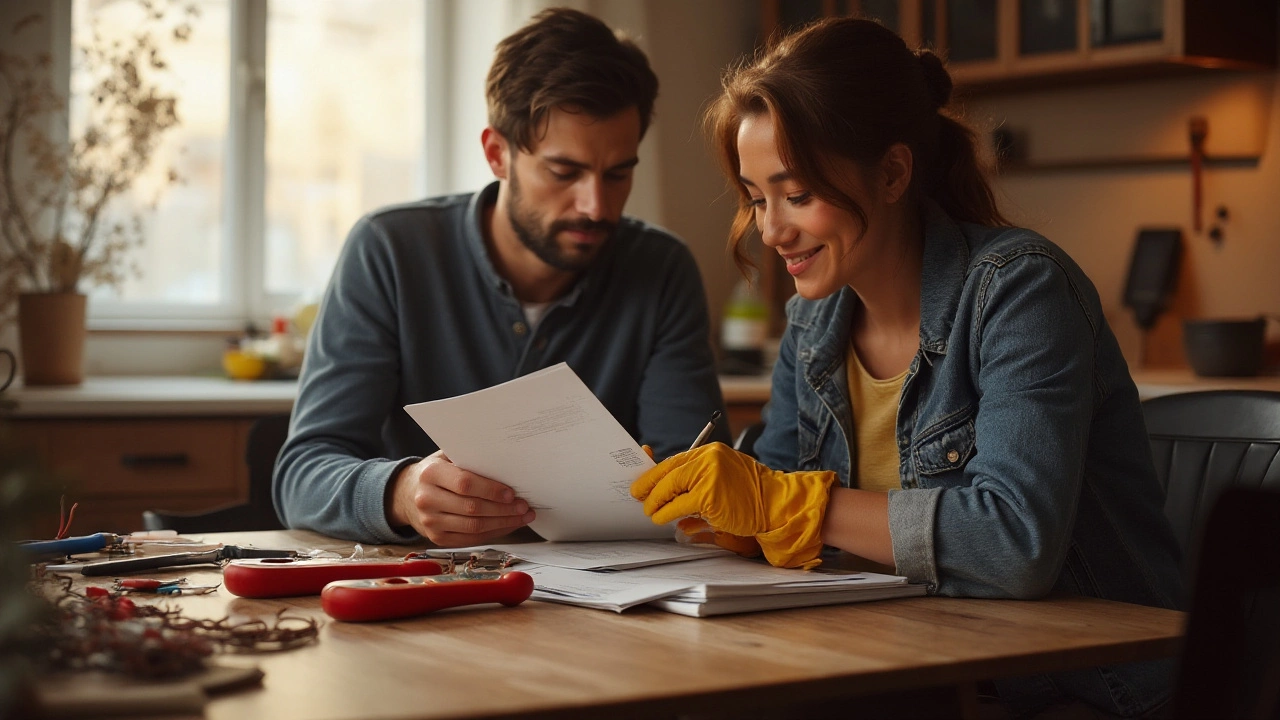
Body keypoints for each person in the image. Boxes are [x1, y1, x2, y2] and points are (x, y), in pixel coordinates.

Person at [630, 17, 1182, 718]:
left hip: (1071, 692)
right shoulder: (813, 322)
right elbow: (770, 493)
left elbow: (1015, 544)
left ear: (892, 172)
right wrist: (720, 512)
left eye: (796, 195)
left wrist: (789, 505)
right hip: (899, 667)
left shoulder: (1019, 291)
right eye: (756, 198)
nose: (770, 231)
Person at [276, 8, 728, 549]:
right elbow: (301, 476)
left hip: (608, 606)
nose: (595, 205)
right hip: (428, 596)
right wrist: (402, 492)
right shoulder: (390, 250)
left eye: (618, 173)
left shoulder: (662, 269)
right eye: (565, 172)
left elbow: (698, 477)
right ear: (497, 154)